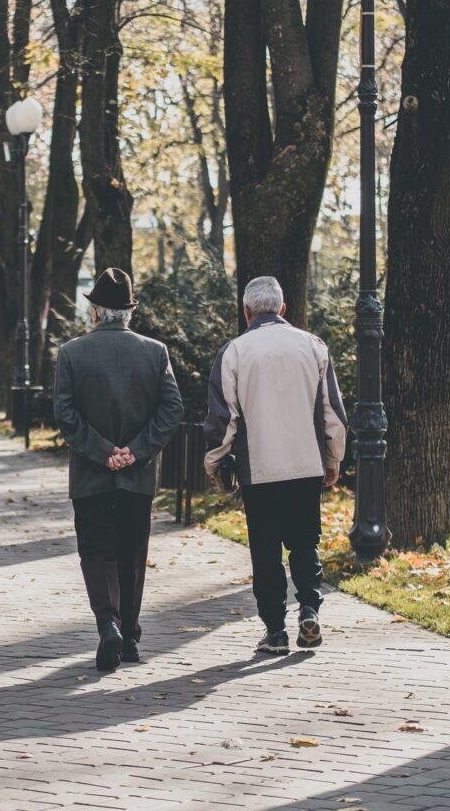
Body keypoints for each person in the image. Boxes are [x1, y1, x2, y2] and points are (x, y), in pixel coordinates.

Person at [204, 276, 347, 656]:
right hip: (304, 465)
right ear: (282, 309)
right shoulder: (313, 346)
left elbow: (224, 420)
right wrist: (332, 459)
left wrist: (214, 463)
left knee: (265, 552)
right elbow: (332, 413)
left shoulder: (234, 352)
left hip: (259, 468)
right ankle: (310, 609)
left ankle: (275, 631)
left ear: (246, 311)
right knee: (305, 543)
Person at [54, 268, 183, 672]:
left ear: (94, 311)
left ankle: (106, 622)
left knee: (95, 550)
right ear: (129, 311)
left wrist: (102, 451)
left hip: (91, 474)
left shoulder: (72, 352)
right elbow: (172, 407)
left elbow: (65, 413)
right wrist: (136, 451)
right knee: (131, 553)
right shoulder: (155, 351)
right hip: (137, 475)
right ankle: (129, 636)